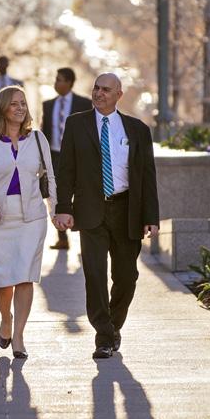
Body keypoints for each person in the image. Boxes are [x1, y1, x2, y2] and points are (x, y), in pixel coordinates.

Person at [53, 72, 159, 359]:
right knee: (95, 275)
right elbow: (66, 170)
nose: (99, 93)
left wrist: (151, 216)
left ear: (119, 95)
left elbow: (147, 176)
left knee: (127, 276)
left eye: (106, 89)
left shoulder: (137, 130)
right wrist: (63, 207)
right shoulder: (76, 124)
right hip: (91, 211)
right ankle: (103, 335)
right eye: (96, 88)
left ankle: (113, 326)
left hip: (127, 211)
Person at [0, 85, 57, 359]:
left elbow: (51, 177)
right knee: (1, 279)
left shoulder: (37, 139)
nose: (20, 108)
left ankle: (19, 334)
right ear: (2, 109)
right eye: (14, 104)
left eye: (23, 103)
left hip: (31, 217)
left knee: (25, 276)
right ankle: (5, 318)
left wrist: (55, 210)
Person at [41, 67, 92, 250]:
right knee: (56, 196)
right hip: (54, 156)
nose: (56, 83)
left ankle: (82, 234)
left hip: (78, 156)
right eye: (55, 79)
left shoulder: (84, 103)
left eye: (60, 79)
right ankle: (62, 237)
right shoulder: (48, 105)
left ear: (70, 82)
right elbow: (45, 133)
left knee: (80, 193)